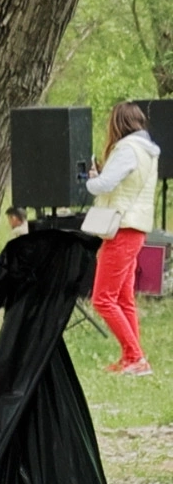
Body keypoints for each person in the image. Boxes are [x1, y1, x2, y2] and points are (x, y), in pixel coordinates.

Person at [86, 102, 160, 376]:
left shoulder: (127, 149)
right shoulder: (148, 151)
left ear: (119, 123)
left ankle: (137, 357)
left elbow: (105, 185)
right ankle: (131, 357)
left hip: (121, 226)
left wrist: (91, 179)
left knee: (103, 298)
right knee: (124, 298)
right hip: (136, 226)